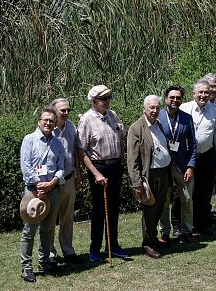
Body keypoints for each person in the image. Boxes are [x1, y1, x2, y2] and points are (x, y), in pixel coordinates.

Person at [77, 84, 128, 259]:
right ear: (94, 101)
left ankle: (112, 245)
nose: (107, 101)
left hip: (115, 166)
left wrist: (122, 161)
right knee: (100, 209)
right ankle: (94, 248)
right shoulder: (86, 119)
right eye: (103, 99)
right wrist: (96, 173)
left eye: (108, 98)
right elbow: (81, 151)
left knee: (113, 208)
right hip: (99, 166)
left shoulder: (113, 115)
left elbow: (120, 138)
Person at [18, 107, 65, 283]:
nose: (48, 123)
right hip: (33, 192)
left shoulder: (58, 143)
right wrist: (39, 186)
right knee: (29, 230)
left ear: (55, 123)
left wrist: (52, 183)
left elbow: (61, 168)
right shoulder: (29, 140)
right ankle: (26, 267)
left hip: (53, 191)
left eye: (51, 121)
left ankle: (45, 260)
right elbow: (26, 167)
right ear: (39, 121)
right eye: (45, 120)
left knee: (48, 228)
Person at [127, 95, 173, 259]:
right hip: (149, 176)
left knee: (159, 208)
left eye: (157, 108)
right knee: (150, 210)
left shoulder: (158, 124)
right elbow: (132, 159)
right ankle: (148, 243)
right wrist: (137, 182)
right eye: (151, 108)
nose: (154, 110)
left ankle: (153, 238)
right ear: (144, 109)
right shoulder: (136, 128)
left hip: (163, 172)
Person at [180, 79, 216, 235]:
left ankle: (202, 223)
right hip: (186, 157)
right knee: (184, 192)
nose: (203, 95)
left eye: (206, 92)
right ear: (194, 93)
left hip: (207, 156)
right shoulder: (183, 108)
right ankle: (180, 225)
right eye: (200, 92)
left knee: (204, 192)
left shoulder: (214, 111)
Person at [157, 85, 198, 243]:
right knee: (164, 200)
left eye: (178, 98)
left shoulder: (187, 118)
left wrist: (191, 166)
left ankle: (187, 230)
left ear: (182, 100)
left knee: (187, 199)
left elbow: (193, 145)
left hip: (182, 166)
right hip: (163, 167)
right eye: (172, 97)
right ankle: (165, 232)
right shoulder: (158, 117)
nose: (175, 100)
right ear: (166, 98)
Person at [47, 98, 83, 264]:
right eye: (63, 111)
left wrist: (78, 174)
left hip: (69, 178)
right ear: (54, 111)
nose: (67, 113)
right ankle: (50, 254)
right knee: (49, 218)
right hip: (52, 182)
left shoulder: (71, 127)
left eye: (68, 110)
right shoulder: (47, 129)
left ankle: (68, 251)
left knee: (67, 218)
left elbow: (75, 151)